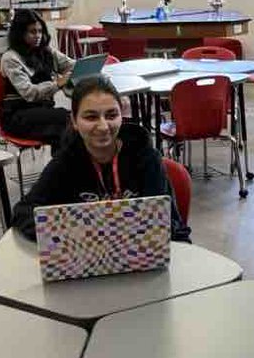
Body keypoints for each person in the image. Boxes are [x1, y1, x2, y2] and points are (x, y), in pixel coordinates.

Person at [11, 75, 189, 242]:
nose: (103, 126)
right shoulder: (66, 162)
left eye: (112, 115)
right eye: (91, 117)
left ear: (122, 116)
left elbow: (169, 222)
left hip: (140, 255)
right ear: (74, 121)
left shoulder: (147, 157)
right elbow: (23, 212)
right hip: (87, 257)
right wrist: (69, 233)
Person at [0, 9, 76, 147]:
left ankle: (64, 164)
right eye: (32, 32)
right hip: (19, 116)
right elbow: (29, 93)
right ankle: (64, 165)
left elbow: (70, 65)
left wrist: (79, 69)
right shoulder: (10, 58)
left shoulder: (45, 51)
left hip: (42, 111)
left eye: (40, 31)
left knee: (73, 122)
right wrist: (57, 83)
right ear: (20, 33)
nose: (38, 36)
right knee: (68, 121)